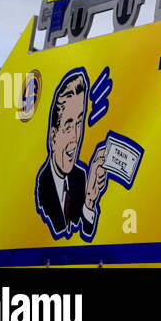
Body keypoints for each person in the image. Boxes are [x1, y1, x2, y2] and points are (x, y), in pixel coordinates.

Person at [34, 68, 107, 240]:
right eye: (68, 125)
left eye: (79, 123)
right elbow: (59, 237)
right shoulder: (42, 185)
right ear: (53, 136)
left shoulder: (80, 178)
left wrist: (89, 200)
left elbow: (84, 238)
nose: (75, 137)